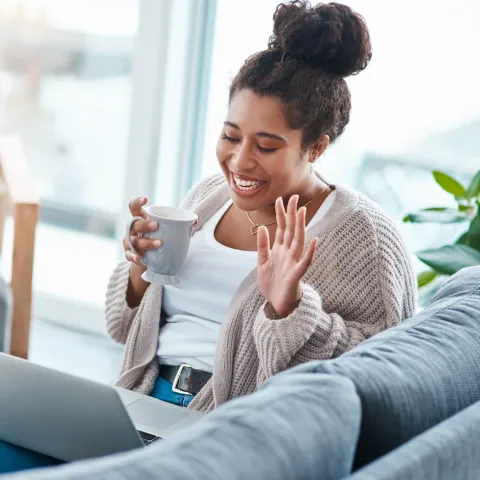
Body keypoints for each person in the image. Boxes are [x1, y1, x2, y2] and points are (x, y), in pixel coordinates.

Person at [0, 1, 416, 473]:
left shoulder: (364, 237)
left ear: (317, 147)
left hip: (234, 430)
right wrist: (139, 271)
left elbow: (381, 384)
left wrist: (290, 309)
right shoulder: (208, 197)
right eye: (230, 136)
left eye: (266, 146)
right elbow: (121, 328)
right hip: (138, 406)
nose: (239, 162)